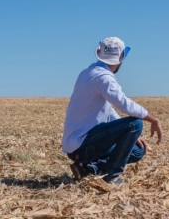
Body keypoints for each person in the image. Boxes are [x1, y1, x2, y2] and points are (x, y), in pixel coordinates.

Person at [61, 37, 163, 186]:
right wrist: (154, 120)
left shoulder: (87, 73)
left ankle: (88, 168)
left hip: (78, 144)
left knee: (137, 151)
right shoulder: (104, 78)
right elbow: (125, 104)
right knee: (135, 123)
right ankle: (111, 176)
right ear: (120, 59)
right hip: (83, 144)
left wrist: (131, 136)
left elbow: (108, 111)